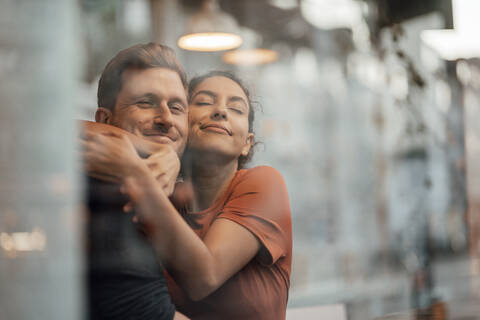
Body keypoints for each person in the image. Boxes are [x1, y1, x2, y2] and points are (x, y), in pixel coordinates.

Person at [122, 71, 293, 320]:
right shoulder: (166, 200)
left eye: (236, 109)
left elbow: (204, 277)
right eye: (203, 102)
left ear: (247, 142)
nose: (220, 111)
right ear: (181, 122)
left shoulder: (266, 183)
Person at [81, 42, 189, 320]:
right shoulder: (109, 192)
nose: (166, 118)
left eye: (176, 107)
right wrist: (158, 152)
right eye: (146, 103)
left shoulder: (186, 185)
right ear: (106, 120)